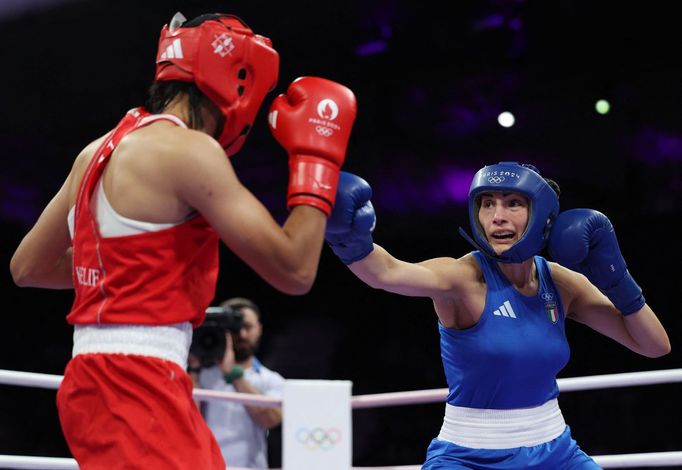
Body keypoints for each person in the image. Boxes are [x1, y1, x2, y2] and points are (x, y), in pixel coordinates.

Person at [9, 11, 356, 470]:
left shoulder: (97, 151)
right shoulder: (189, 151)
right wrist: (318, 158)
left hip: (102, 379)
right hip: (136, 383)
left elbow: (28, 267)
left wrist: (126, 276)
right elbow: (295, 270)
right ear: (238, 80)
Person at [324, 162, 670, 469]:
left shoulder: (561, 283)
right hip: (469, 455)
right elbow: (386, 273)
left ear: (543, 216)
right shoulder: (463, 277)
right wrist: (350, 240)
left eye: (513, 203)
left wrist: (617, 279)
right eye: (487, 203)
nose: (496, 216)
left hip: (555, 451)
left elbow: (654, 346)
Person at [189, 297, 284, 469]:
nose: (242, 335)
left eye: (247, 327)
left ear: (259, 329)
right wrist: (194, 371)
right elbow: (186, 423)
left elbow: (271, 420)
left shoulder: (270, 380)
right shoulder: (198, 375)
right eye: (235, 329)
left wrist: (233, 374)